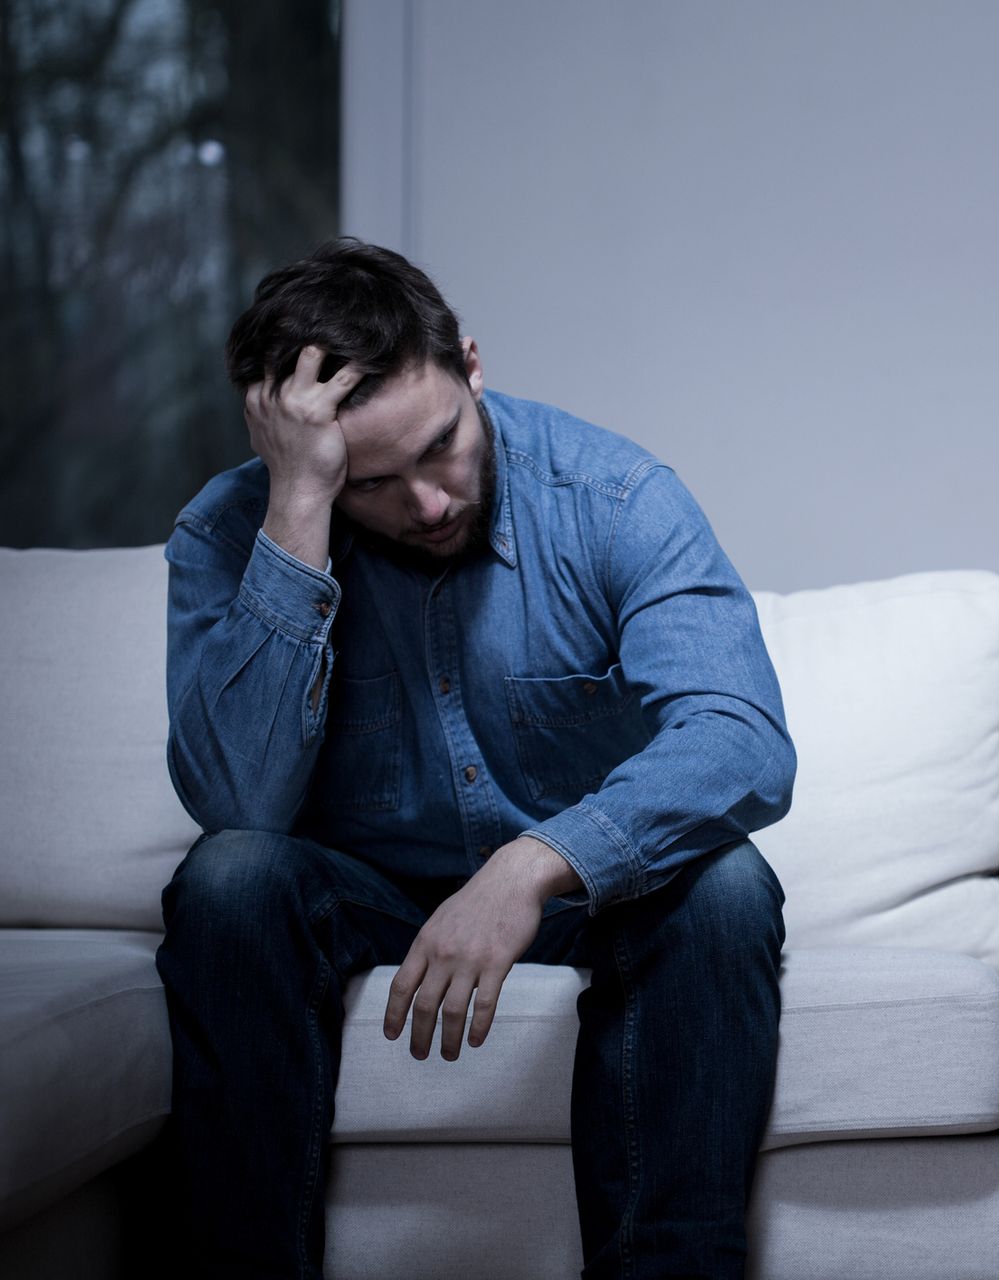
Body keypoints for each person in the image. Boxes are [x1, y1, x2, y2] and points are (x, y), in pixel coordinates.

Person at [157, 237, 796, 1279]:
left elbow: (745, 740)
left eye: (441, 444)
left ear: (471, 363)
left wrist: (534, 863)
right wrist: (301, 514)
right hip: (364, 892)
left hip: (591, 893)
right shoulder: (236, 530)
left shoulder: (616, 497)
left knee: (725, 886)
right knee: (230, 876)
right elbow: (240, 804)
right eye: (371, 481)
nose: (427, 502)